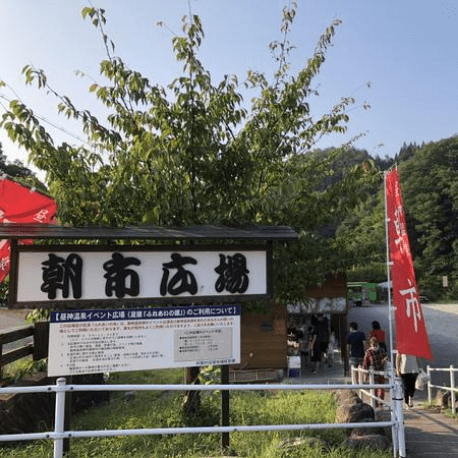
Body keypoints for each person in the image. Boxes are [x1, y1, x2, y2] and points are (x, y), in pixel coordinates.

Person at [362, 336, 388, 407]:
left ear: (377, 343)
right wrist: (365, 374)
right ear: (370, 344)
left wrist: (384, 360)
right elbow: (365, 364)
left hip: (381, 372)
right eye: (372, 344)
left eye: (375, 344)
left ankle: (380, 403)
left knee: (381, 389)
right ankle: (376, 404)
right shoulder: (368, 352)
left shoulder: (381, 350)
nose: (373, 346)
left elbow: (386, 359)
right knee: (375, 390)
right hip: (373, 373)